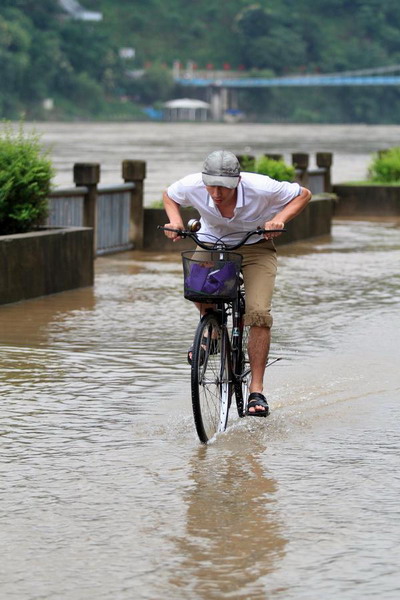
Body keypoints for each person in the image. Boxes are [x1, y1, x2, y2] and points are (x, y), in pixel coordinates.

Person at [163, 150, 311, 416]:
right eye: (211, 186)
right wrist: (175, 221)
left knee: (258, 313)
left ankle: (256, 389)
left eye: (224, 187)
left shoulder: (262, 187)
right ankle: (213, 330)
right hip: (211, 242)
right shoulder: (193, 184)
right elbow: (169, 195)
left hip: (255, 246)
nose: (216, 194)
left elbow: (304, 195)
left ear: (238, 181)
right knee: (195, 285)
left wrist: (279, 220)